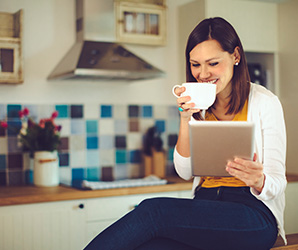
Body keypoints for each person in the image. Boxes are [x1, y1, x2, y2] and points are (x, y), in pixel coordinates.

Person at [84, 17, 287, 250]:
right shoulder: (200, 107)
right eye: (195, 64)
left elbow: (278, 182)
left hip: (252, 212)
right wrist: (185, 118)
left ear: (236, 56)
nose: (202, 74)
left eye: (213, 63)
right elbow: (184, 172)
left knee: (153, 211)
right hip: (206, 206)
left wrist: (259, 181)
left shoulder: (265, 103)